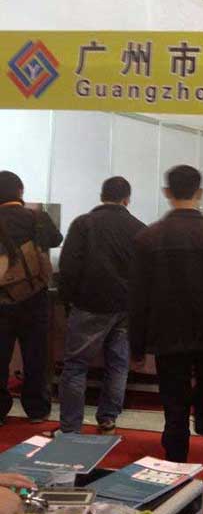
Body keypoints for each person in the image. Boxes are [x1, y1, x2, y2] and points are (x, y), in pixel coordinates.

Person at [129, 165, 203, 506]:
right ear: (200, 193)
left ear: (167, 193)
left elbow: (138, 299)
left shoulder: (147, 240)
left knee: (175, 409)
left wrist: (137, 345)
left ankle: (175, 478)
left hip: (169, 338)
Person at [57, 177, 146, 435]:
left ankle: (70, 427)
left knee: (76, 365)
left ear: (101, 196)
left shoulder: (83, 224)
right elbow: (144, 273)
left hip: (89, 303)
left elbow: (68, 266)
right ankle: (108, 418)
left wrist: (67, 300)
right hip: (125, 307)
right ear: (127, 199)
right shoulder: (139, 228)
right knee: (118, 363)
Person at [0, 171, 62, 425]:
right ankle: (37, 409)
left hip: (1, 298)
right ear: (20, 191)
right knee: (36, 355)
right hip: (34, 296)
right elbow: (56, 239)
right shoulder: (37, 217)